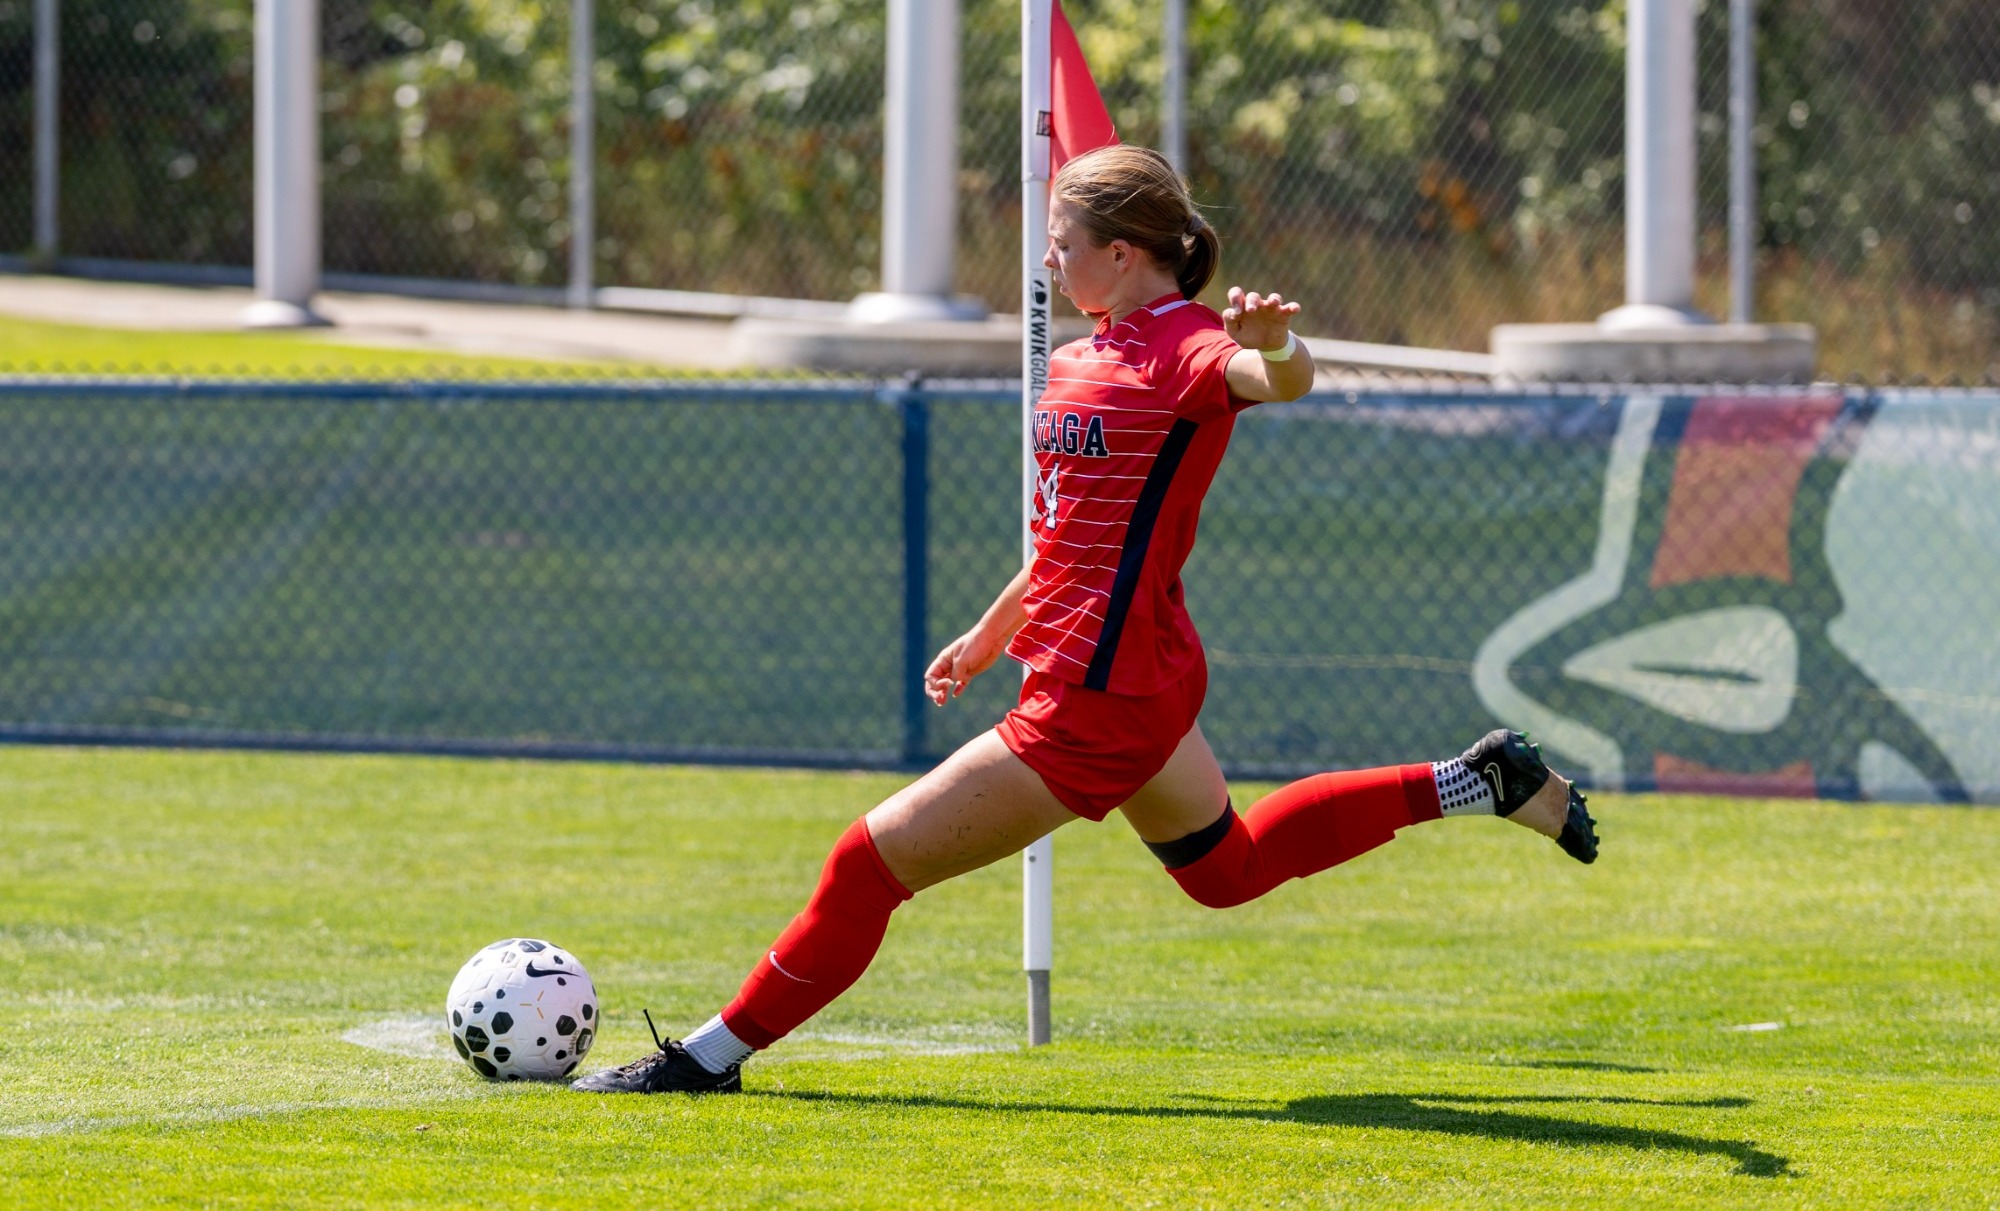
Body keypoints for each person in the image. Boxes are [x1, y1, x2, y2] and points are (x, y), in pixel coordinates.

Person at [571, 146, 1597, 1096]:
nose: (1049, 260)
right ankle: (1481, 779)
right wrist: (989, 630)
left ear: (1119, 250)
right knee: (1226, 869)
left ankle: (707, 1058)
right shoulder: (1078, 357)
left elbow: (1276, 380)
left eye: (1060, 242)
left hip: (1097, 702)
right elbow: (1069, 538)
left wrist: (1277, 345)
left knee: (862, 865)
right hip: (1132, 676)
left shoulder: (1190, 348)